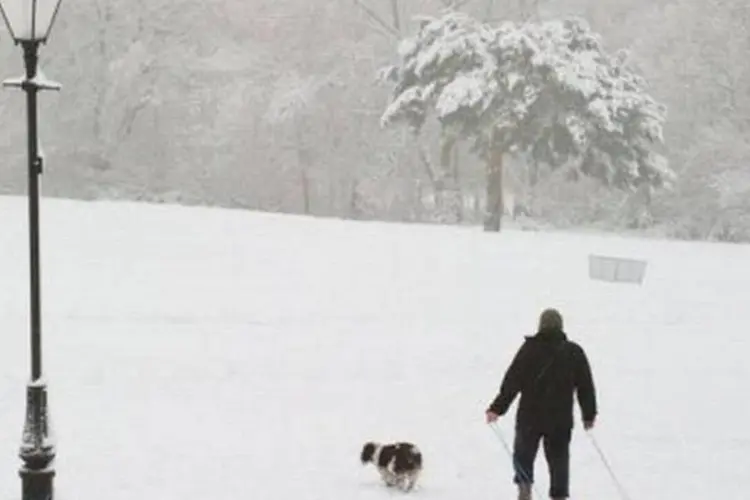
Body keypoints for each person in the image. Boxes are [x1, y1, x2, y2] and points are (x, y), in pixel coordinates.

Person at [485, 308, 597, 500]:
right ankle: (559, 496)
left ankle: (524, 491)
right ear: (561, 327)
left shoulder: (529, 349)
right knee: (559, 461)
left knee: (523, 456)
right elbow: (586, 386)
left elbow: (512, 381)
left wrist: (497, 408)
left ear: (540, 326)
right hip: (560, 419)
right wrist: (589, 414)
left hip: (530, 417)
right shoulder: (574, 352)